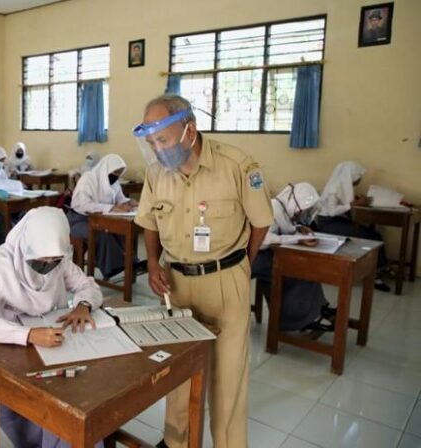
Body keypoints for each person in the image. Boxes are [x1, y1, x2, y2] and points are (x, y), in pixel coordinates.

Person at [132, 94, 273, 448]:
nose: (157, 149)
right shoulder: (156, 173)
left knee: (227, 378)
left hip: (226, 283)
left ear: (189, 130)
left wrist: (240, 265)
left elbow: (260, 223)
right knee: (178, 372)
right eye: (151, 142)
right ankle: (178, 441)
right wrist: (152, 263)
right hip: (176, 284)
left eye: (162, 140)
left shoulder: (236, 165)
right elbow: (149, 221)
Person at [0, 206, 103, 448]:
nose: (49, 264)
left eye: (54, 260)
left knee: (80, 396)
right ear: (26, 247)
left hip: (48, 341)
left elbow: (87, 285)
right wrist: (27, 335)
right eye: (41, 261)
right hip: (1, 348)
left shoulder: (58, 258)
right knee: (54, 404)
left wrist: (83, 305)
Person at [251, 183, 334, 331]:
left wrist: (297, 229)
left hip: (265, 253)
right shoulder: (272, 207)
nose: (301, 215)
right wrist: (297, 239)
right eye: (301, 211)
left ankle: (318, 308)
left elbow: (282, 230)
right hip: (253, 256)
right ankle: (301, 319)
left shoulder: (282, 208)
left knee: (307, 266)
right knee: (296, 272)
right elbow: (266, 239)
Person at [317, 161, 390, 291]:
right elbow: (332, 211)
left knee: (374, 234)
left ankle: (376, 269)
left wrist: (358, 202)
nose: (359, 179)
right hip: (329, 224)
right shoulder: (334, 188)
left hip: (337, 221)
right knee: (371, 236)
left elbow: (344, 205)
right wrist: (353, 204)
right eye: (358, 176)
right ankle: (376, 275)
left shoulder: (343, 186)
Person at [68, 154, 138, 280]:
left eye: (119, 173)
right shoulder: (88, 179)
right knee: (104, 234)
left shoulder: (114, 183)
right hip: (79, 220)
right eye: (115, 172)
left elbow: (120, 199)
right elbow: (82, 205)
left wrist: (129, 202)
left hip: (101, 220)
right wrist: (111, 208)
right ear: (107, 168)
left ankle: (131, 263)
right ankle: (114, 267)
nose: (116, 176)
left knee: (121, 231)